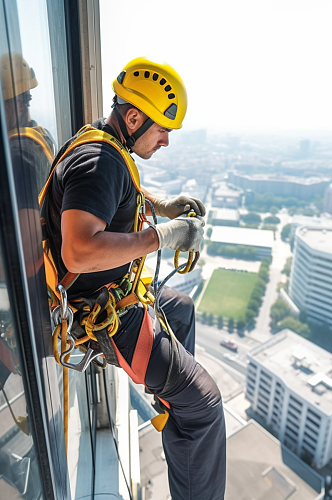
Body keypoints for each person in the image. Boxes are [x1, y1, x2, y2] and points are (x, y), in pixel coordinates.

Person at [44, 57, 226, 500]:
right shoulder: (99, 160)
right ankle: (184, 414)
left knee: (180, 309)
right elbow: (80, 250)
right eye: (161, 129)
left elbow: (113, 192)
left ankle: (171, 405)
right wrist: (162, 235)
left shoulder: (101, 141)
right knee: (205, 407)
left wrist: (162, 206)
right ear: (132, 117)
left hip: (107, 295)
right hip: (99, 316)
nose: (165, 141)